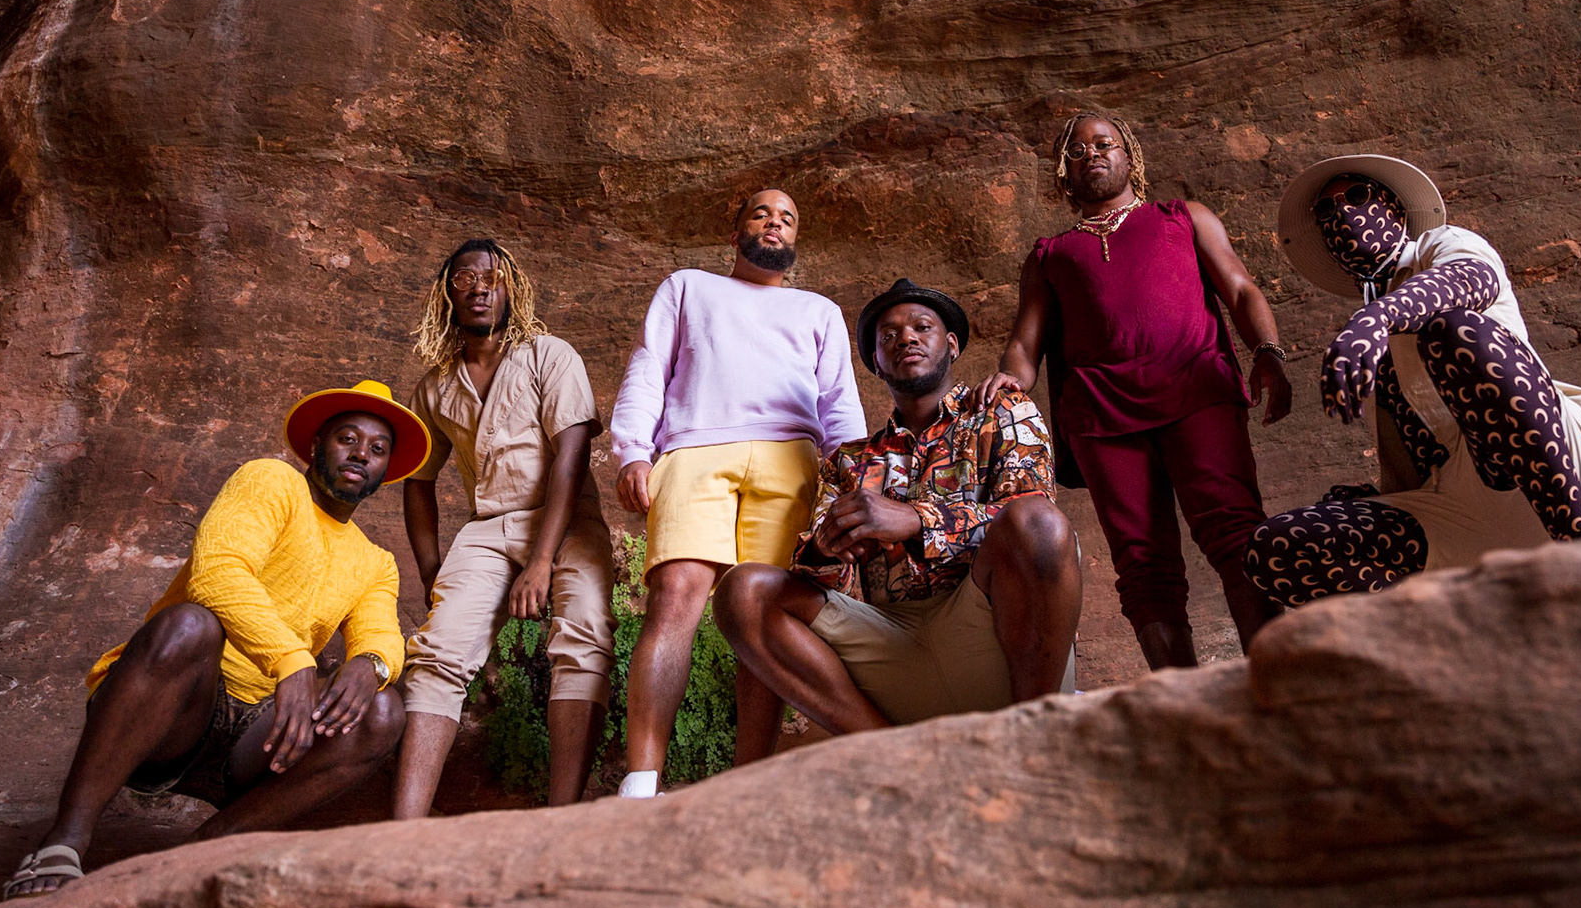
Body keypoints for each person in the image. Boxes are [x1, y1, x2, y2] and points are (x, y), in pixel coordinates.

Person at [3, 381, 426, 900]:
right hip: (175, 707)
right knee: (190, 624)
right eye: (348, 438)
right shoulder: (271, 480)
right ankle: (62, 843)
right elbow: (218, 572)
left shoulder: (376, 562)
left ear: (386, 469)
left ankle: (196, 858)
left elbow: (381, 632)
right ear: (318, 443)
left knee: (382, 712)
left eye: (378, 449)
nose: (361, 453)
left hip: (260, 739)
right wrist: (292, 660)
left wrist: (372, 664)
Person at [978, 115, 1292, 669]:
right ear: (1064, 173)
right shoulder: (1050, 255)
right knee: (1143, 564)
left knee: (1236, 531)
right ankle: (1181, 703)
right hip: (1103, 417)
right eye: (1077, 151)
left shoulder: (1183, 217)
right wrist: (1011, 380)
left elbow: (1241, 288)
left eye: (1105, 144)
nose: (1092, 154)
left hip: (1196, 391)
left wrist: (1268, 351)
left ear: (1130, 156)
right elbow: (1025, 344)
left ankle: (1277, 679)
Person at [1245, 155, 1581, 606]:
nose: (1344, 213)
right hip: (1465, 521)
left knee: (1454, 332)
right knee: (1277, 548)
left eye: (1357, 196)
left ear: (1392, 206)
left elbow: (1472, 279)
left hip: (1555, 481)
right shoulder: (1370, 349)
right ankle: (1466, 632)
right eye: (1327, 210)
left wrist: (1378, 318)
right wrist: (1363, 504)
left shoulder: (1442, 246)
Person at [714, 279, 1081, 752]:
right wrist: (829, 548)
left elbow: (1035, 524)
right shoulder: (850, 462)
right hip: (892, 650)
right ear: (875, 362)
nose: (905, 338)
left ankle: (1035, 745)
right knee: (746, 590)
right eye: (888, 336)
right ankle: (896, 754)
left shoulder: (1002, 412)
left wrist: (916, 520)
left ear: (952, 345)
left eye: (922, 327)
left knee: (1037, 523)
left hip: (992, 639)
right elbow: (818, 579)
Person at [610, 189, 866, 797]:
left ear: (795, 240)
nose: (775, 223)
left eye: (787, 218)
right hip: (696, 448)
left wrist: (857, 484)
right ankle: (641, 784)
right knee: (675, 596)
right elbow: (648, 367)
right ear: (735, 234)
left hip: (791, 460)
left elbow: (839, 403)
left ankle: (748, 786)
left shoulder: (818, 311)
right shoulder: (687, 287)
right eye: (761, 213)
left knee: (765, 617)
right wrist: (633, 451)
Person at [393, 239, 615, 816]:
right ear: (447, 295)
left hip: (566, 520)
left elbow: (572, 456)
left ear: (512, 289)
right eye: (465, 277)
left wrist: (541, 562)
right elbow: (417, 479)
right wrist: (431, 570)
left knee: (584, 636)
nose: (480, 286)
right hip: (488, 528)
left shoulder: (549, 355)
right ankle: (403, 830)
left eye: (493, 277)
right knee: (437, 654)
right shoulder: (436, 385)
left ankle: (562, 817)